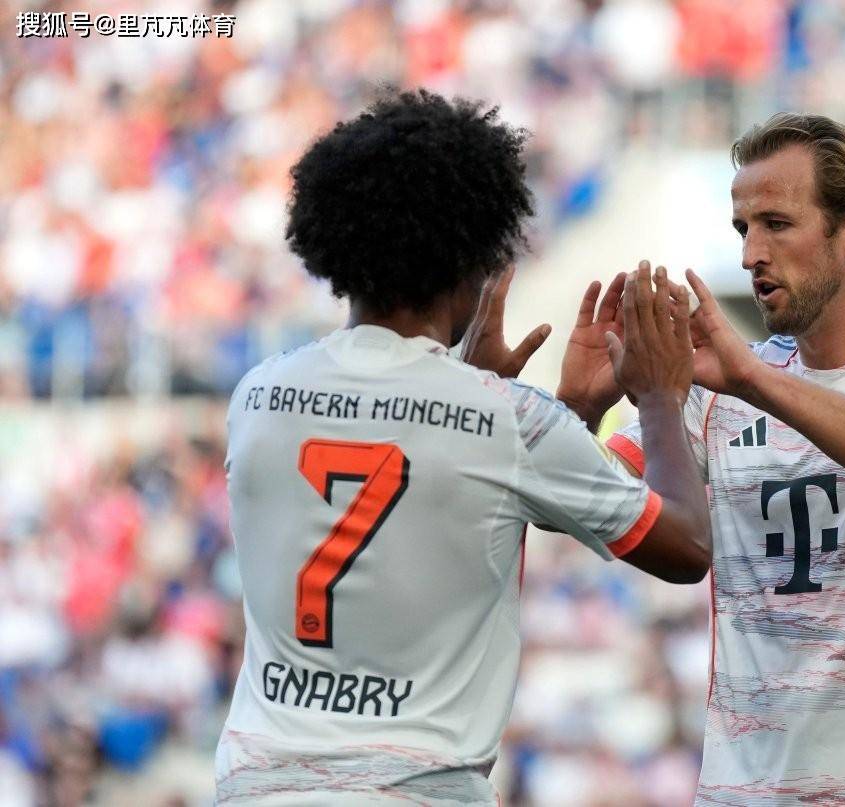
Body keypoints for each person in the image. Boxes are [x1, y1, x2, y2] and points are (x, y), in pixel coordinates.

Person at [214, 89, 710, 805]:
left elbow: (431, 469)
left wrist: (551, 411)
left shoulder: (257, 396)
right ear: (474, 260)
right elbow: (686, 547)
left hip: (257, 786)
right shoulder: (505, 420)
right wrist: (659, 395)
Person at [558, 113, 845, 805]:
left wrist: (753, 380)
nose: (750, 254)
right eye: (743, 228)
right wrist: (576, 412)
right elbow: (590, 509)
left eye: (776, 224)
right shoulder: (722, 382)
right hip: (743, 792)